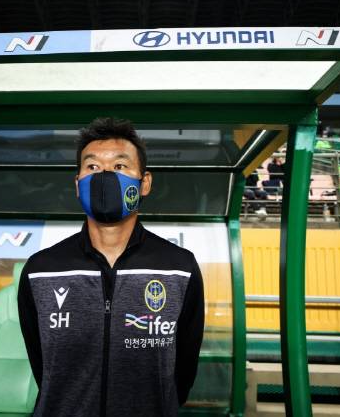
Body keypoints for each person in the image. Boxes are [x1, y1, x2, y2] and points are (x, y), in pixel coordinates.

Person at [17, 117, 205, 417]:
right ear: (78, 185)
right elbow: (43, 368)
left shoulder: (179, 267)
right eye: (92, 166)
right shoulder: (41, 269)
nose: (104, 175)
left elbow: (183, 370)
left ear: (144, 183)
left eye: (119, 166)